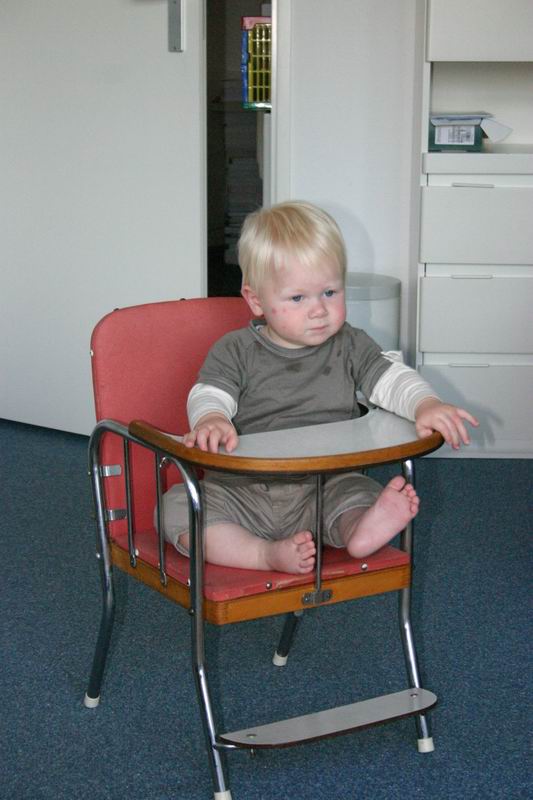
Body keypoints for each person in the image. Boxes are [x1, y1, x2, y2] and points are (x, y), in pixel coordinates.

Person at [159, 201, 478, 574]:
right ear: (256, 300)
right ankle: (262, 554)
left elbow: (391, 378)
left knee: (359, 493)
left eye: (330, 292)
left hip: (326, 485)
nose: (318, 310)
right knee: (177, 507)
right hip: (243, 491)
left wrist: (425, 404)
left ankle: (358, 529)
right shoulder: (236, 350)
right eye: (298, 298)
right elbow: (210, 392)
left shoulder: (350, 345)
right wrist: (211, 417)